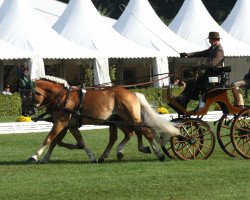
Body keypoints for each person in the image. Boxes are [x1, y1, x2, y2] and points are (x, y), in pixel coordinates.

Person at [176, 31, 224, 109]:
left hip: (215, 76)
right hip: (210, 75)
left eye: (210, 40)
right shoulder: (212, 48)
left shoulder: (219, 50)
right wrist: (187, 55)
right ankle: (183, 100)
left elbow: (212, 64)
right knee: (191, 82)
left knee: (194, 82)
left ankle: (183, 100)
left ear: (215, 39)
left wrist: (201, 66)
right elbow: (202, 53)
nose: (209, 41)